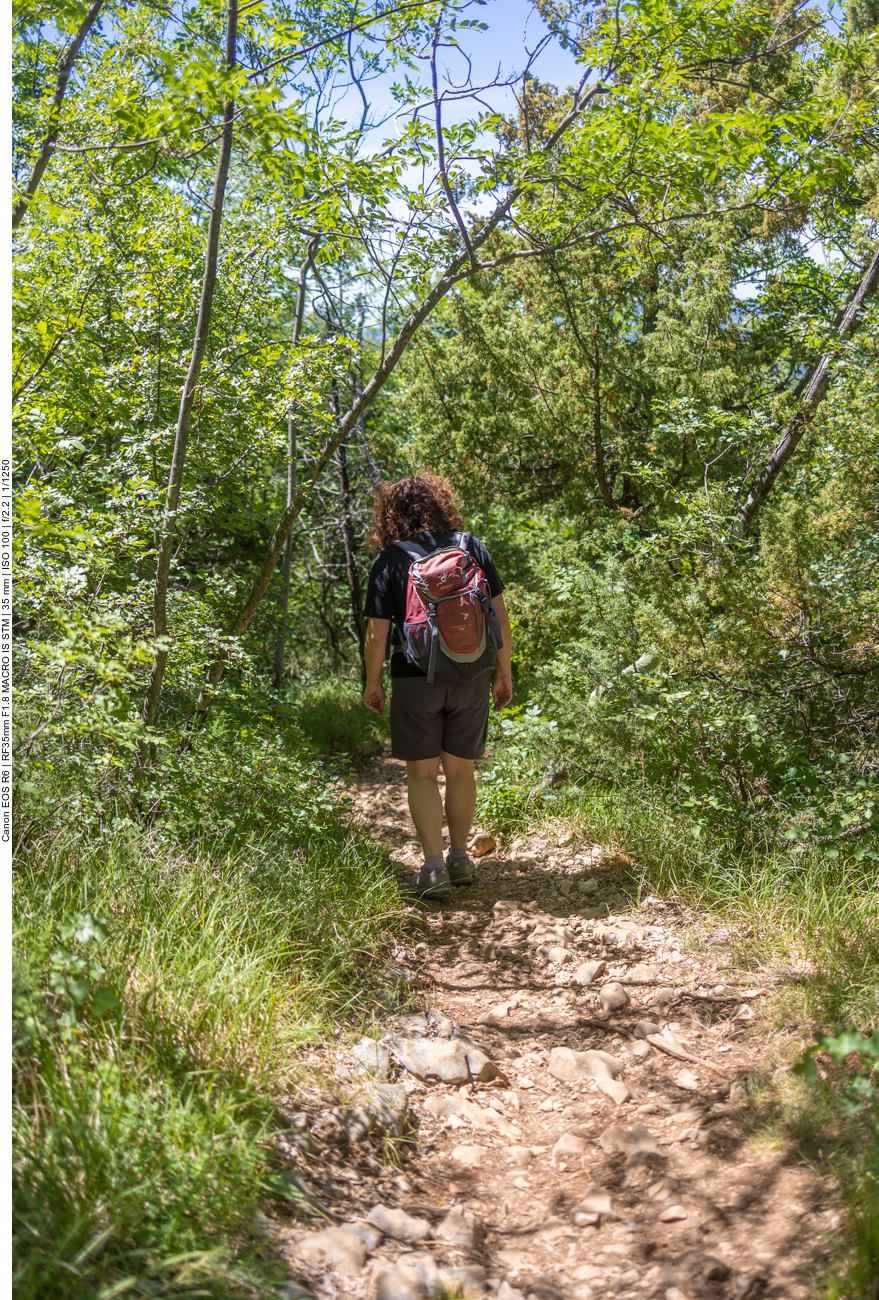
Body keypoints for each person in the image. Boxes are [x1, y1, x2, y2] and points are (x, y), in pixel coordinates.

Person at [362, 474, 513, 899]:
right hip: (472, 671)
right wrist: (503, 672)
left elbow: (376, 634)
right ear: (440, 504)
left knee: (423, 774)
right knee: (461, 771)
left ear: (391, 515)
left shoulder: (391, 560)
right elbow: (499, 618)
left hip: (415, 676)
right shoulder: (470, 547)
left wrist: (373, 682)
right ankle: (460, 858)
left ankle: (432, 868)